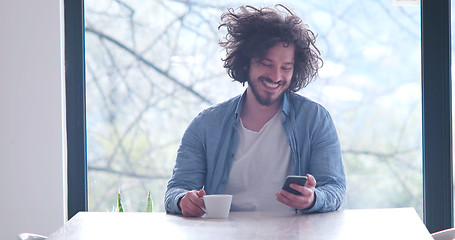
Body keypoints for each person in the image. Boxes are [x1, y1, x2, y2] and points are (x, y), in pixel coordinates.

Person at [165, 4, 345, 217]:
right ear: (245, 64)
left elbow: (335, 188)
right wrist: (183, 201)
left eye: (286, 67)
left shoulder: (315, 119)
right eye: (266, 64)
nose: (276, 76)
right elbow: (176, 189)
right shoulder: (206, 125)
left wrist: (314, 198)